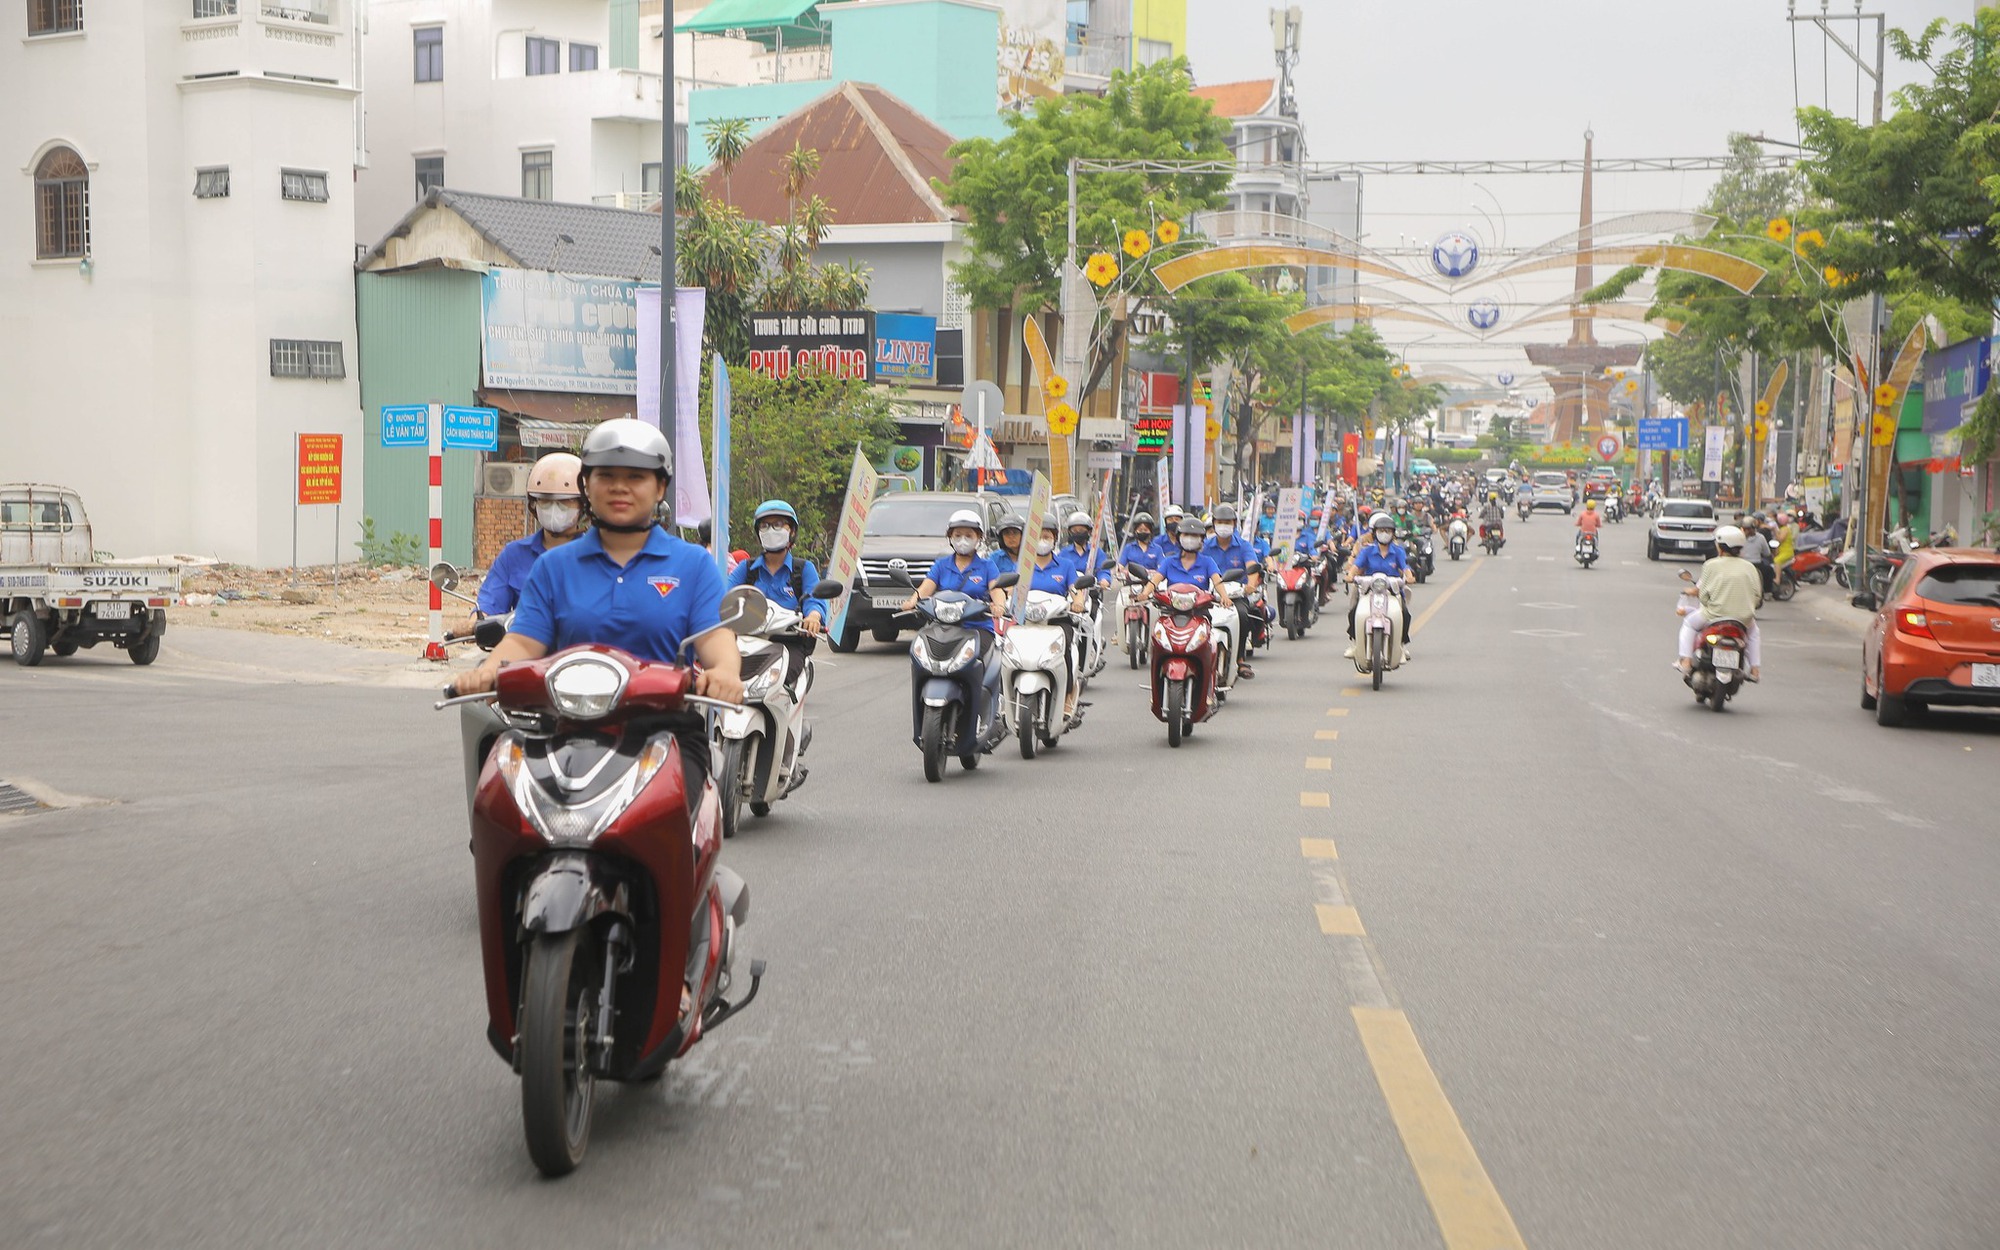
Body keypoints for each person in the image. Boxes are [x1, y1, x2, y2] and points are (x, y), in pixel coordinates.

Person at [455, 419, 742, 807]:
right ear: (586, 485)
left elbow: (713, 636)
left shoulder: (692, 565)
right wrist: (490, 671)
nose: (619, 487)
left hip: (664, 733)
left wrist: (725, 672)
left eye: (636, 477)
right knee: (501, 820)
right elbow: (524, 639)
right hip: (563, 731)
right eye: (605, 475)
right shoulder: (554, 567)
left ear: (660, 486)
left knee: (670, 838)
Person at [901, 508, 1006, 747]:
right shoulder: (941, 565)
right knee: (921, 653)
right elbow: (926, 587)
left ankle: (987, 711)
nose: (963, 539)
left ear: (979, 538)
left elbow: (996, 589)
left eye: (969, 534)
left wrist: (999, 604)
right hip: (942, 627)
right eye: (958, 534)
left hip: (977, 628)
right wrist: (912, 601)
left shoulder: (987, 567)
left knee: (979, 663)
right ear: (950, 537)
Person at [468, 452, 586, 628]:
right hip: (525, 647)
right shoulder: (513, 555)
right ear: (533, 505)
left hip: (580, 652)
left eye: (565, 501)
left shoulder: (597, 556)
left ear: (583, 506)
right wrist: (473, 625)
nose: (554, 509)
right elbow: (489, 605)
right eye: (545, 501)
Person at [729, 499, 830, 683]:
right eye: (765, 526)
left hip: (789, 644)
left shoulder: (803, 569)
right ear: (758, 533)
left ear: (791, 531)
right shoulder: (746, 568)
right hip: (748, 640)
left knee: (780, 681)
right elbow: (723, 596)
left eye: (778, 524)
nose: (771, 530)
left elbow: (814, 599)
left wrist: (814, 616)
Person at [1023, 519, 1093, 718]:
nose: (1042, 540)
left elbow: (1075, 590)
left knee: (1066, 652)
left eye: (1047, 536)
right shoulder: (1023, 565)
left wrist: (1078, 602)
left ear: (1055, 539)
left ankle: (1068, 696)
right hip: (1027, 622)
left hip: (1057, 621)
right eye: (1038, 536)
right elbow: (1012, 589)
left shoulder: (1065, 565)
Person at [1676, 525, 1764, 682]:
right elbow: (1757, 596)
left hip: (1713, 616)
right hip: (1743, 619)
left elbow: (1703, 595)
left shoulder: (1711, 565)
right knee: (1754, 634)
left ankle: (1686, 661)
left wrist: (1709, 604)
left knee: (1688, 625)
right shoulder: (1750, 568)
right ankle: (1755, 670)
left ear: (1719, 546)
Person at [1344, 510, 1415, 659]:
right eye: (1381, 531)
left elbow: (1405, 567)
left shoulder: (1398, 551)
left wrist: (1408, 576)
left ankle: (1401, 646)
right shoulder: (1367, 551)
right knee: (1353, 612)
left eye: (1388, 531)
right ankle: (1355, 643)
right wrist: (1350, 575)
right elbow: (1356, 566)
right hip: (1369, 588)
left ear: (1393, 533)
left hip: (1392, 590)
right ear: (1375, 533)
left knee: (1405, 614)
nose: (1384, 534)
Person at [1202, 503, 1263, 676]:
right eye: (1220, 522)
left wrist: (1250, 585)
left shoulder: (1243, 546)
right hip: (1209, 595)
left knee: (1243, 616)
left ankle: (1240, 659)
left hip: (1236, 595)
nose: (1223, 525)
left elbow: (1252, 567)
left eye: (1227, 522)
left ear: (1235, 524)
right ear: (1213, 523)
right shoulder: (1205, 546)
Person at [1117, 512, 1159, 579]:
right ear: (1135, 531)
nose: (1143, 532)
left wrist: (1152, 572)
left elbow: (1162, 568)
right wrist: (1122, 572)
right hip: (1131, 584)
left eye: (1145, 530)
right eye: (1140, 530)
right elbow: (1120, 566)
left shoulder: (1157, 549)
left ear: (1150, 531)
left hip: (1152, 584)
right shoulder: (1129, 548)